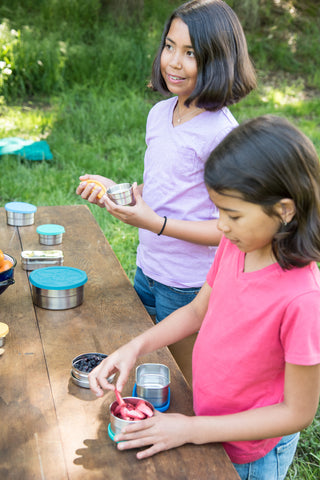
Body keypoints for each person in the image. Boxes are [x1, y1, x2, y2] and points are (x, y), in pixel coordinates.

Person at [89, 115, 320, 480]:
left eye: (233, 214)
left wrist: (189, 429)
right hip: (207, 424)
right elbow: (197, 311)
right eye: (218, 210)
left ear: (285, 210)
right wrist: (137, 346)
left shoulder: (303, 299)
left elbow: (297, 412)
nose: (221, 225)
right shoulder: (237, 243)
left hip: (252, 454)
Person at [76, 0, 256, 326]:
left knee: (184, 375)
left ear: (218, 57)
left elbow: (231, 229)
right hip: (147, 269)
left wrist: (155, 223)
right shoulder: (159, 114)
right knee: (150, 362)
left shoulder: (221, 134)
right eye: (169, 46)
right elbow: (167, 186)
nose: (173, 62)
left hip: (190, 285)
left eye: (191, 53)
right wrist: (119, 192)